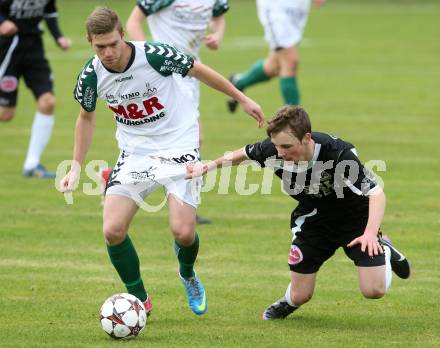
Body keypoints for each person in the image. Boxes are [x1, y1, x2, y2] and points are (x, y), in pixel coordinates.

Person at [61, 7, 264, 317]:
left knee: (183, 232)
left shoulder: (156, 55)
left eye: (113, 44)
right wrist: (75, 165)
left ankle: (188, 273)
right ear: (90, 42)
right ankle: (138, 298)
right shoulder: (91, 77)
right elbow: (85, 119)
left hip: (179, 145)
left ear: (123, 36)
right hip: (135, 153)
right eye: (100, 46)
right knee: (112, 229)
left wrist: (242, 97)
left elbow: (200, 70)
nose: (108, 52)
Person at [186, 105, 411, 320]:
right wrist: (207, 167)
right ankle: (287, 302)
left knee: (373, 290)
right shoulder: (272, 150)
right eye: (276, 146)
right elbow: (242, 154)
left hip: (356, 222)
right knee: (300, 295)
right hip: (314, 220)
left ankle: (385, 250)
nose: (280, 153)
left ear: (306, 138)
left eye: (286, 147)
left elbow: (376, 193)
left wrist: (371, 233)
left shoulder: (337, 153)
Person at [122, 0, 230, 225]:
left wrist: (217, 35)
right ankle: (186, 207)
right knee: (192, 137)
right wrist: (150, 59)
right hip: (164, 74)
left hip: (190, 72)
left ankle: (115, 177)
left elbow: (218, 17)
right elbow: (133, 22)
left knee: (177, 139)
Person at [0, 0, 71, 178]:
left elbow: (49, 11)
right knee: (5, 114)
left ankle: (32, 165)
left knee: (48, 102)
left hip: (34, 49)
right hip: (7, 47)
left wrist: (58, 37)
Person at [227, 0, 325, 112]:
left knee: (273, 66)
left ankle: (238, 82)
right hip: (277, 7)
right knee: (290, 61)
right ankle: (294, 120)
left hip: (297, 6)